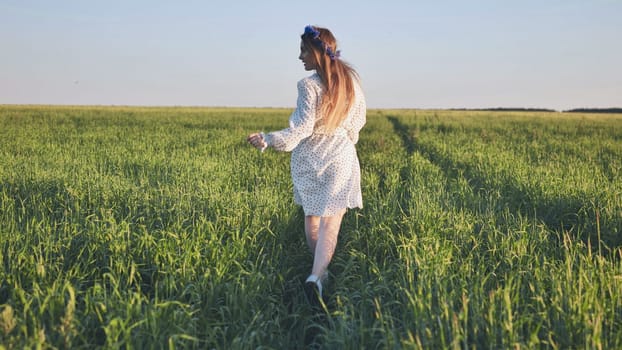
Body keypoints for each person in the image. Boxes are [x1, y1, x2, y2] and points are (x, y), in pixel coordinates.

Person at [247, 25, 366, 306]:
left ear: (316, 52)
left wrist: (267, 139)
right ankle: (317, 277)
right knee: (331, 224)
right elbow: (357, 125)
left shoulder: (308, 85)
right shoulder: (351, 83)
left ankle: (319, 276)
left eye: (303, 51)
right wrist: (343, 139)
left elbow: (300, 131)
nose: (299, 57)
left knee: (313, 218)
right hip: (340, 156)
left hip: (310, 159)